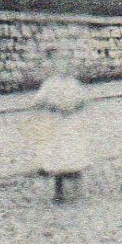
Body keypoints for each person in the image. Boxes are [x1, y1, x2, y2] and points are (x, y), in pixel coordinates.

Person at [29, 49, 90, 201]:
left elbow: (83, 100)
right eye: (60, 66)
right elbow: (37, 102)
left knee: (72, 152)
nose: (64, 69)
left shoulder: (73, 83)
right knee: (57, 156)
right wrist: (53, 106)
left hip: (71, 124)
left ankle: (75, 180)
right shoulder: (50, 84)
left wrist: (74, 107)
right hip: (56, 124)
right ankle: (59, 189)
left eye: (66, 66)